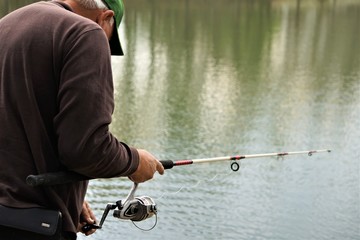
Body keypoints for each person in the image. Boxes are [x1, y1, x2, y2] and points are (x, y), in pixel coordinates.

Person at [0, 0, 164, 239]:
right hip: (29, 227)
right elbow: (86, 149)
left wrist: (66, 197)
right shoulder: (86, 33)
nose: (105, 47)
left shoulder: (7, 24)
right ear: (105, 17)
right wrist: (135, 161)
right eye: (110, 39)